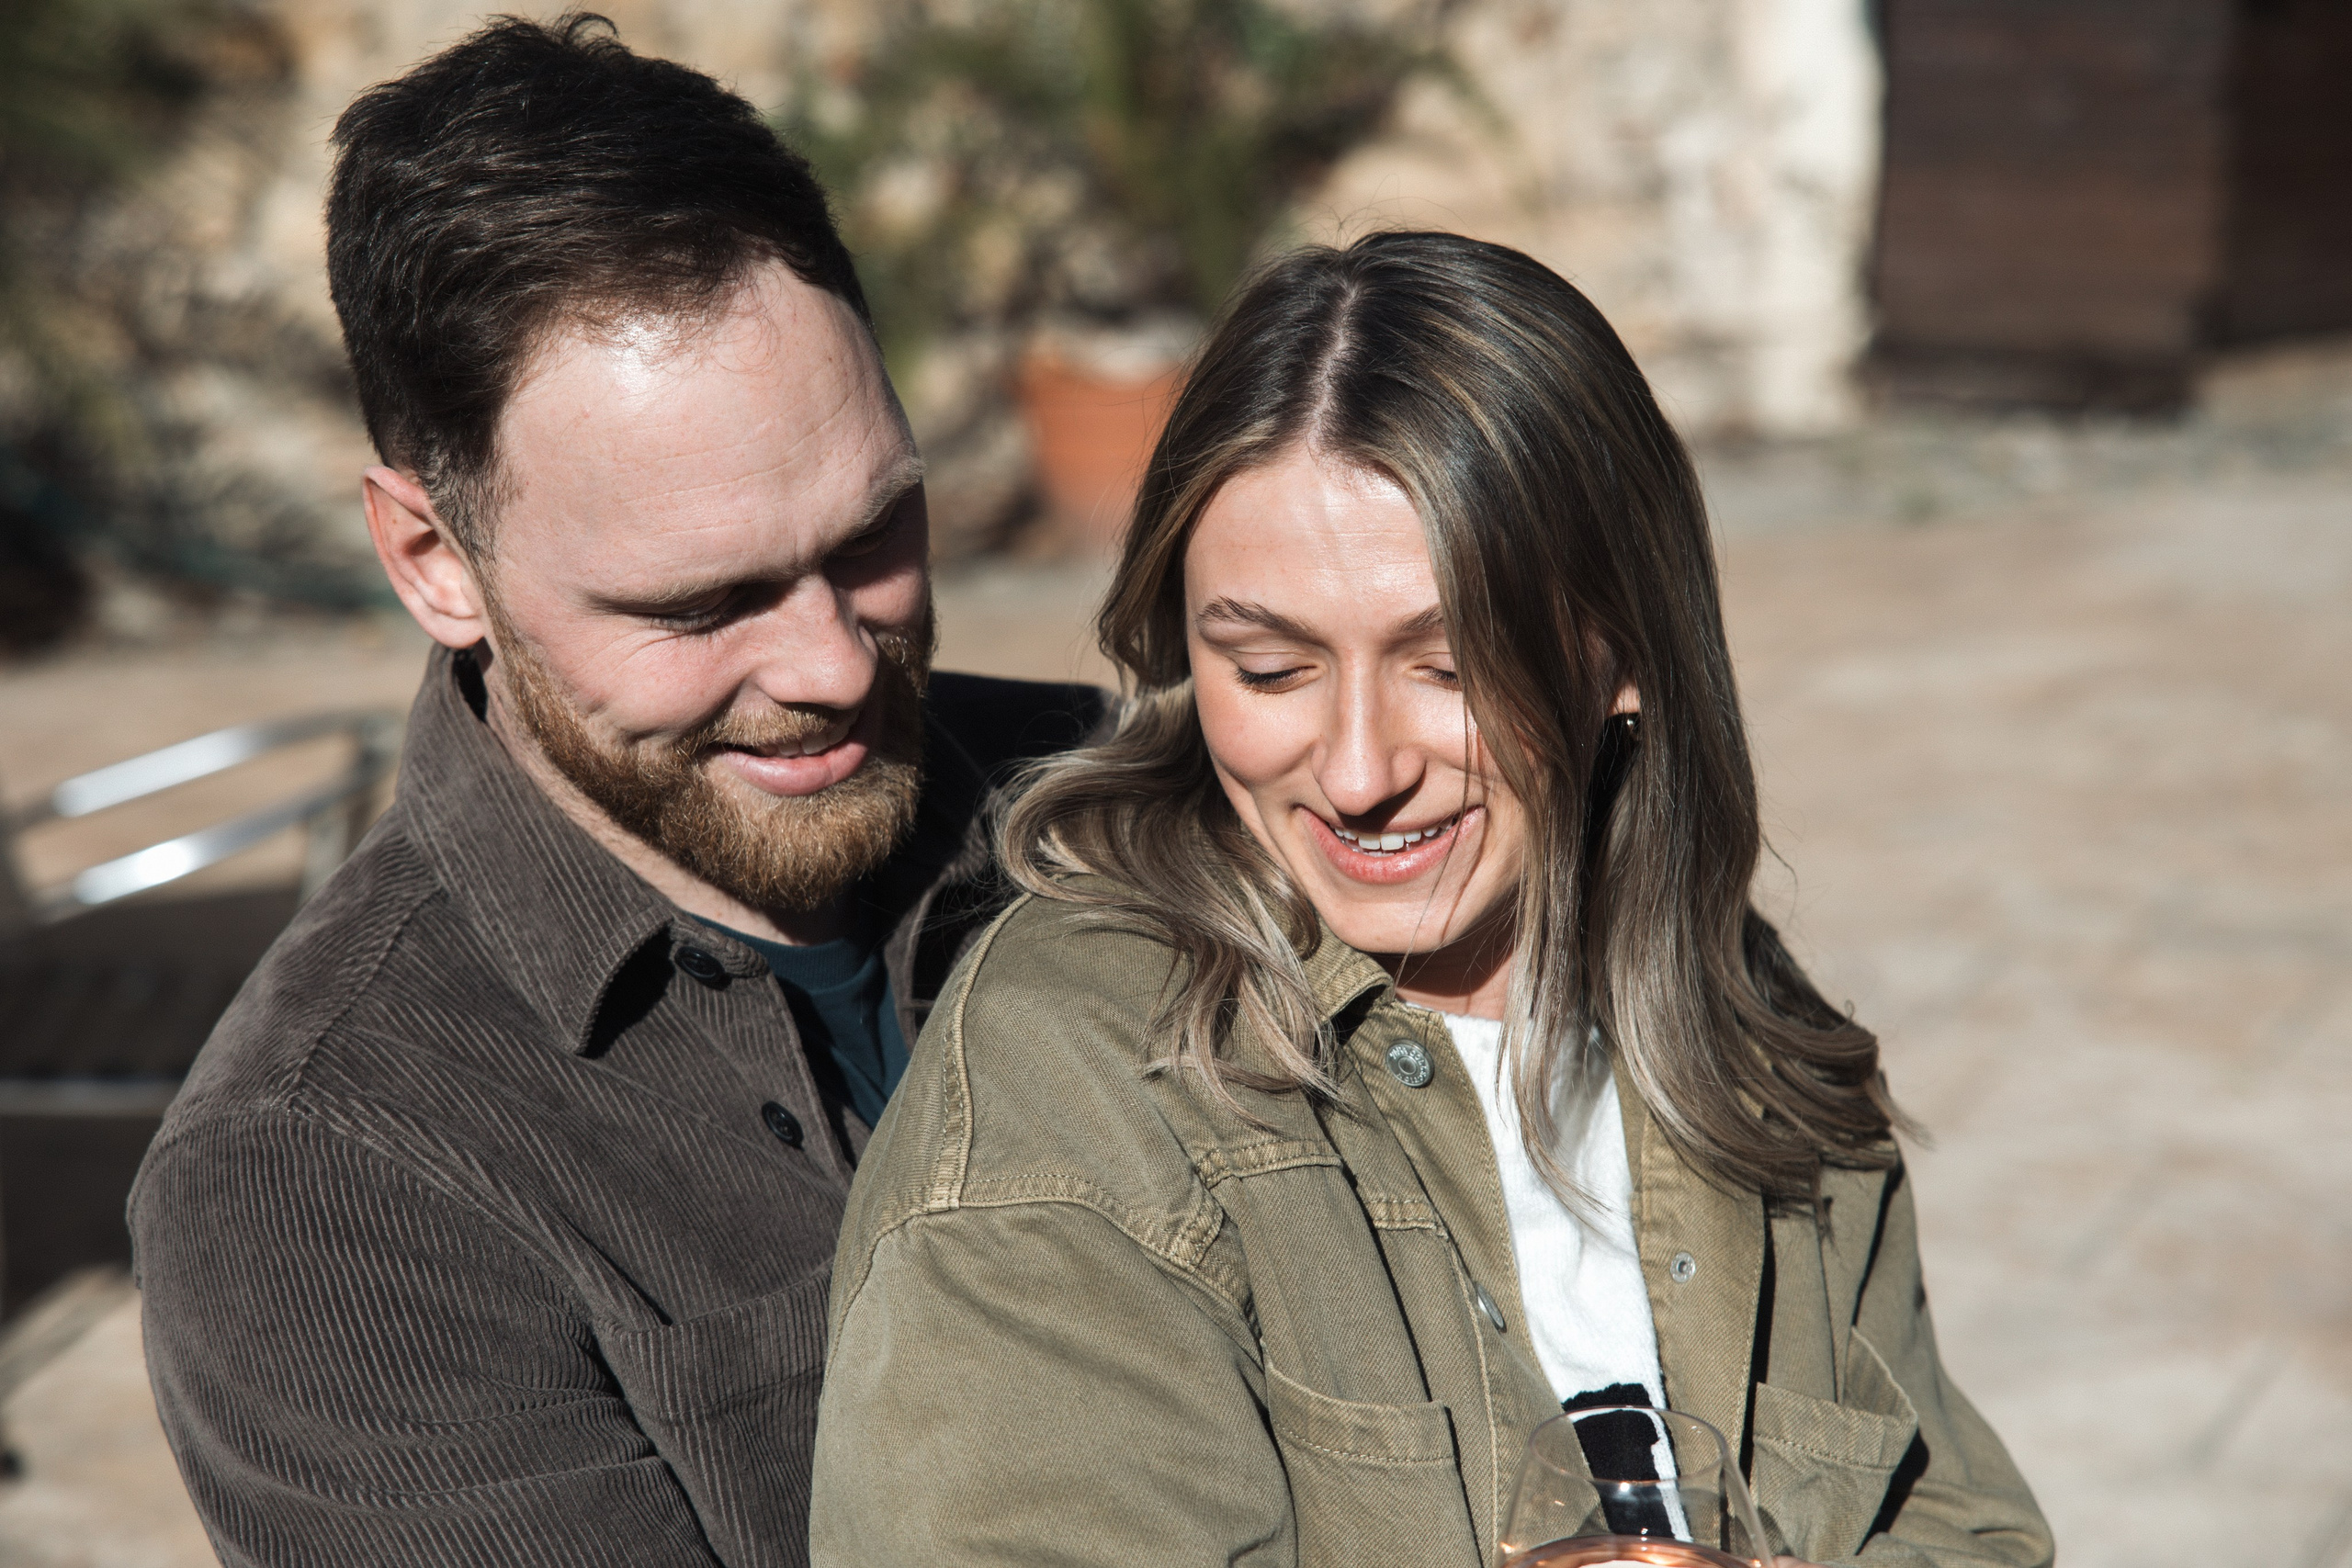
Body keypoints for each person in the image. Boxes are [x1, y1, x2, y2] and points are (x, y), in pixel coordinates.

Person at [810, 232, 2053, 1568]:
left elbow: (1962, 1523)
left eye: (1449, 668)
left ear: (1623, 654)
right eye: (1272, 670)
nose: (1358, 773)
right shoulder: (1076, 1095)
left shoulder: (1745, 1038)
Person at [128, 17, 1104, 1566]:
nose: (835, 663)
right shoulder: (325, 1181)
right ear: (432, 561)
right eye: (701, 606)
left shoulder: (1116, 811)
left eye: (873, 540)